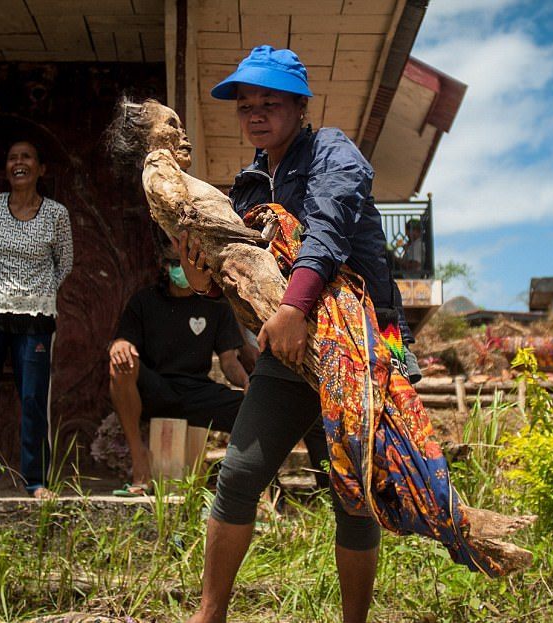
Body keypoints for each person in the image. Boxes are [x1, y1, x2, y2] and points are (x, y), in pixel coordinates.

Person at [179, 45, 413, 623]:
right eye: (246, 104)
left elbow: (328, 230)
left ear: (300, 106)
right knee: (237, 476)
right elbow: (236, 270)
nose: (255, 113)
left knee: (352, 498)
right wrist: (201, 279)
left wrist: (294, 306)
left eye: (270, 102)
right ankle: (210, 615)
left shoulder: (335, 152)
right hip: (288, 351)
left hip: (363, 348)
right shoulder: (250, 184)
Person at [0, 140, 73, 500]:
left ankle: (36, 482)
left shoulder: (56, 214)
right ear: (7, 168)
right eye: (12, 157)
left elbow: (64, 261)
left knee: (34, 400)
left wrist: (41, 291)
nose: (18, 163)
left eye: (26, 157)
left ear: (40, 169)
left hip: (35, 319)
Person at [107, 232, 252, 495]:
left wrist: (246, 382)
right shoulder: (144, 302)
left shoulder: (216, 307)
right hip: (157, 390)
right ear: (165, 266)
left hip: (198, 392)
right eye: (175, 263)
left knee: (253, 409)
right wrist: (120, 346)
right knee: (120, 365)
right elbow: (123, 342)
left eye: (188, 263)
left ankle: (249, 486)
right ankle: (140, 460)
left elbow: (229, 362)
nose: (182, 270)